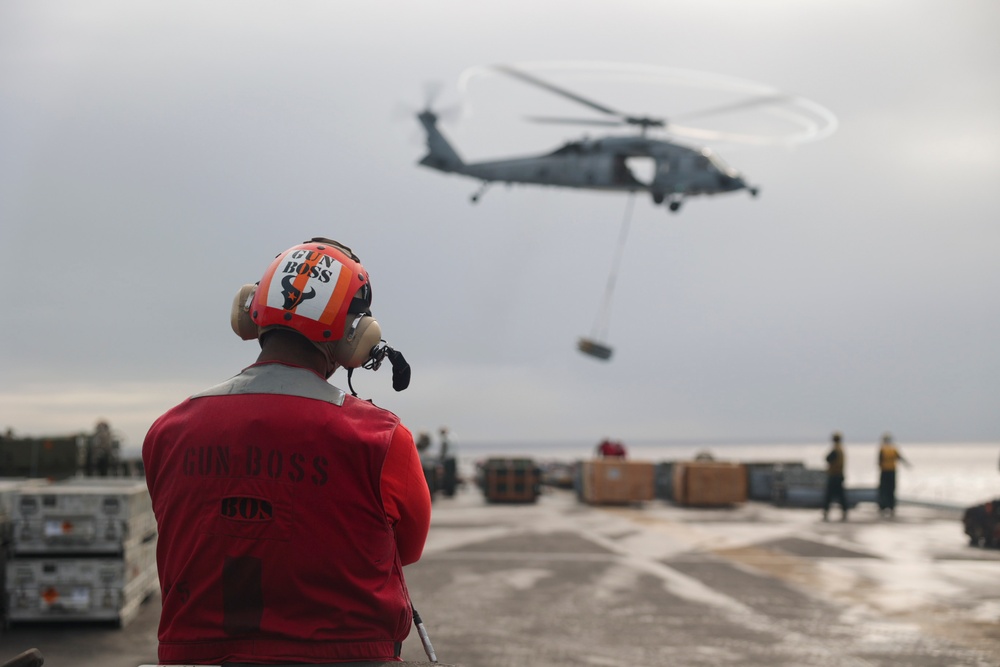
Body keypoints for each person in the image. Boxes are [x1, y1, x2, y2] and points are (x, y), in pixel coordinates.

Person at [142, 238, 431, 665]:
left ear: (249, 313)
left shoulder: (167, 432)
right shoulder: (383, 440)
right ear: (355, 336)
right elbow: (406, 550)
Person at [877, 432, 908, 516]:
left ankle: (883, 506)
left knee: (884, 489)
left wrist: (880, 466)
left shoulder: (882, 449)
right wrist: (907, 464)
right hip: (892, 472)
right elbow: (900, 458)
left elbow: (879, 461)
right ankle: (891, 506)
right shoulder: (894, 449)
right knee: (891, 489)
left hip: (885, 471)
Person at [822, 431, 848, 521]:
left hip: (834, 476)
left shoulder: (836, 449)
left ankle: (826, 512)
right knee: (841, 496)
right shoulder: (841, 449)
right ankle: (844, 511)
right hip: (839, 475)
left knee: (829, 495)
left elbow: (827, 458)